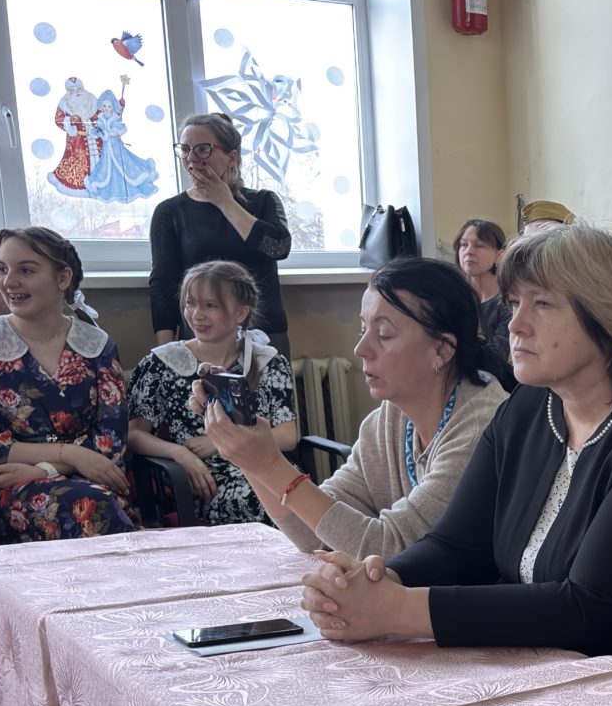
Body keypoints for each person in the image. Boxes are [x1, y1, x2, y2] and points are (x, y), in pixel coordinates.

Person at [297, 225, 612, 703]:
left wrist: (397, 610)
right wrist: (379, 581)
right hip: (571, 678)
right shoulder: (531, 405)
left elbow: (588, 607)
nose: (515, 324)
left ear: (608, 315)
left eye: (543, 304)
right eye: (514, 303)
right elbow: (457, 545)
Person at [203, 257, 507, 560]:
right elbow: (313, 533)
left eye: (384, 334)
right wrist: (248, 456)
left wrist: (270, 464)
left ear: (442, 349)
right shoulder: (387, 422)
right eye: (363, 330)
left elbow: (391, 550)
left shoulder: (481, 428)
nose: (360, 349)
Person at [0, 228, 135, 541]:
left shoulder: (97, 345)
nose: (9, 282)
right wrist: (70, 454)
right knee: (89, 509)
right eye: (2, 269)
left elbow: (111, 441)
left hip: (94, 481)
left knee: (95, 505)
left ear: (63, 278)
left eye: (25, 270)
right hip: (15, 488)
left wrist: (46, 469)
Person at [127, 261, 298, 524]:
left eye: (210, 306)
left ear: (240, 313)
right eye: (190, 304)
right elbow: (134, 435)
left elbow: (288, 436)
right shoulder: (162, 363)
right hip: (207, 481)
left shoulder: (269, 362)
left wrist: (217, 442)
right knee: (270, 504)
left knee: (310, 501)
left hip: (268, 469)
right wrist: (179, 453)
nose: (197, 315)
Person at [148, 112, 293, 352]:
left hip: (264, 338)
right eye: (185, 149)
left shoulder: (263, 201)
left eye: (203, 149)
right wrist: (166, 352)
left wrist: (225, 202)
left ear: (232, 157)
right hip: (200, 339)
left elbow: (278, 247)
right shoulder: (169, 212)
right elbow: (162, 285)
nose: (191, 158)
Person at [455, 217, 515, 390]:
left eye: (479, 245)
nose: (469, 251)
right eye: (463, 244)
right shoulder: (452, 297)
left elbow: (494, 359)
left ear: (499, 255)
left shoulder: (508, 304)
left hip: (491, 387)